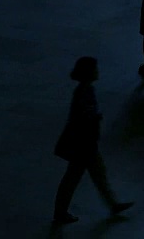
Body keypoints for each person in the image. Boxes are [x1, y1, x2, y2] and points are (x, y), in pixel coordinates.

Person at [53, 57, 134, 224]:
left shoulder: (83, 90)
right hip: (84, 144)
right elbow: (84, 116)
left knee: (93, 174)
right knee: (77, 177)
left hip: (85, 143)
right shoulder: (85, 91)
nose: (98, 71)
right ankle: (61, 212)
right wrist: (95, 118)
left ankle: (112, 204)